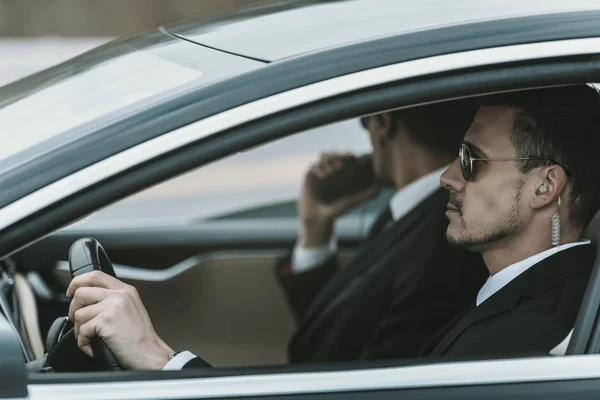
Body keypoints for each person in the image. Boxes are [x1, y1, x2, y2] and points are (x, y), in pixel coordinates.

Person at [65, 84, 600, 370]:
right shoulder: (523, 299)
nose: (446, 176)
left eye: (470, 159)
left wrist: (163, 361)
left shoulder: (526, 337)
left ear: (544, 186)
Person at [274, 102, 487, 363]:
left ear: (383, 122)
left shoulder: (447, 237)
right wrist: (315, 226)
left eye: (365, 124)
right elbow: (342, 332)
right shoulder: (409, 212)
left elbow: (373, 369)